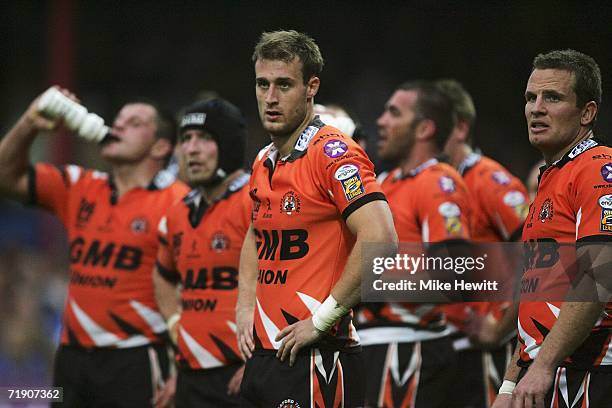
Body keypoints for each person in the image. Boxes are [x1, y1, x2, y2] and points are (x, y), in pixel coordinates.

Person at [236, 30, 397, 408]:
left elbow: (382, 237)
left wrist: (323, 320)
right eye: (262, 84)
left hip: (319, 356)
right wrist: (244, 306)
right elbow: (255, 234)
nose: (270, 98)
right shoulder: (264, 159)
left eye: (284, 85)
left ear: (312, 87)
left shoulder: (334, 153)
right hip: (265, 357)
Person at [0, 88, 188, 407]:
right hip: (72, 358)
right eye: (119, 120)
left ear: (160, 146)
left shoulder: (179, 203)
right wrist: (30, 122)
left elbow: (201, 293)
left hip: (137, 360)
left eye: (135, 122)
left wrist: (183, 371)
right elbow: (4, 175)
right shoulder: (80, 186)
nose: (119, 125)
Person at [493, 49, 612, 408]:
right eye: (531, 97)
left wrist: (543, 365)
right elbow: (538, 297)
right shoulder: (551, 177)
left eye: (553, 97)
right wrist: (509, 384)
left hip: (590, 371)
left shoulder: (597, 169)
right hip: (549, 369)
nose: (536, 108)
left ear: (587, 113)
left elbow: (599, 275)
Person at [356, 80, 473, 408]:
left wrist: (365, 279)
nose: (381, 121)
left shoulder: (439, 182)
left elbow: (454, 274)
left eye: (393, 113)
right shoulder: (384, 182)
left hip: (408, 347)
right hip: (370, 342)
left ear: (423, 128)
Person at [435, 78, 530, 407]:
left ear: (460, 127)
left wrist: (501, 325)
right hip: (445, 347)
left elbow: (540, 259)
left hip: (485, 352)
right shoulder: (431, 185)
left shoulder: (491, 181)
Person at [153, 98, 251, 407]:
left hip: (243, 373)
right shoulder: (178, 213)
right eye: (186, 139)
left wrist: (263, 362)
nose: (191, 149)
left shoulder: (258, 201)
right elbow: (163, 276)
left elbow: (289, 285)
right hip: (190, 376)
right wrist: (175, 326)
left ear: (229, 144)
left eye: (205, 138)